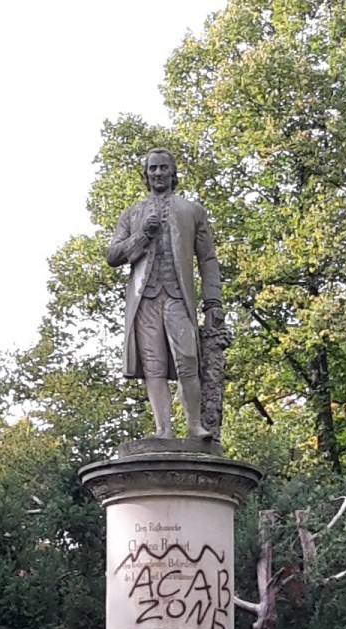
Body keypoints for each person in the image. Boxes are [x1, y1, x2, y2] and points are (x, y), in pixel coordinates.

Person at [106, 148, 224, 440]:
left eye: (163, 168)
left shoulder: (192, 211)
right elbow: (113, 255)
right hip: (144, 299)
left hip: (177, 296)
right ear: (146, 175)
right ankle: (163, 430)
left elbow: (207, 259)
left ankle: (194, 425)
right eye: (153, 169)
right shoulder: (132, 214)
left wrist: (213, 302)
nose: (158, 173)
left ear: (173, 173)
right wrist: (143, 236)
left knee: (188, 359)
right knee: (153, 364)